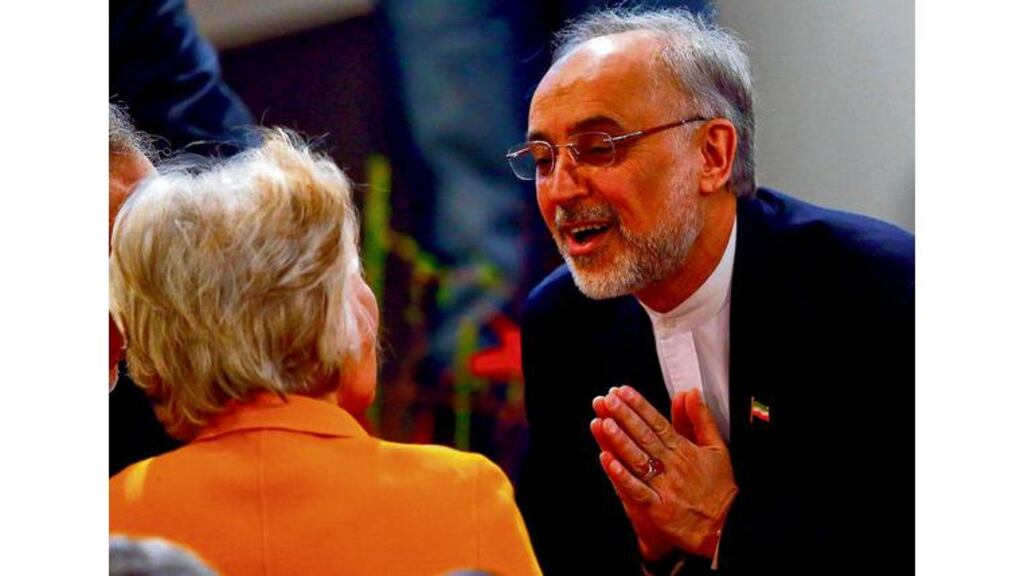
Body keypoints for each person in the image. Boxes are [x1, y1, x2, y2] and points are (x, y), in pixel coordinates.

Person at [512, 7, 913, 575]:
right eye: (544, 159)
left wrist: (725, 525)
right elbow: (562, 551)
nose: (561, 190)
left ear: (712, 156)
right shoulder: (563, 321)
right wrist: (655, 551)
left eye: (599, 147)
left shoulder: (877, 290)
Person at [109, 130, 541, 576]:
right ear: (324, 309)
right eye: (352, 272)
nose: (370, 300)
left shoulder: (115, 516)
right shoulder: (459, 492)